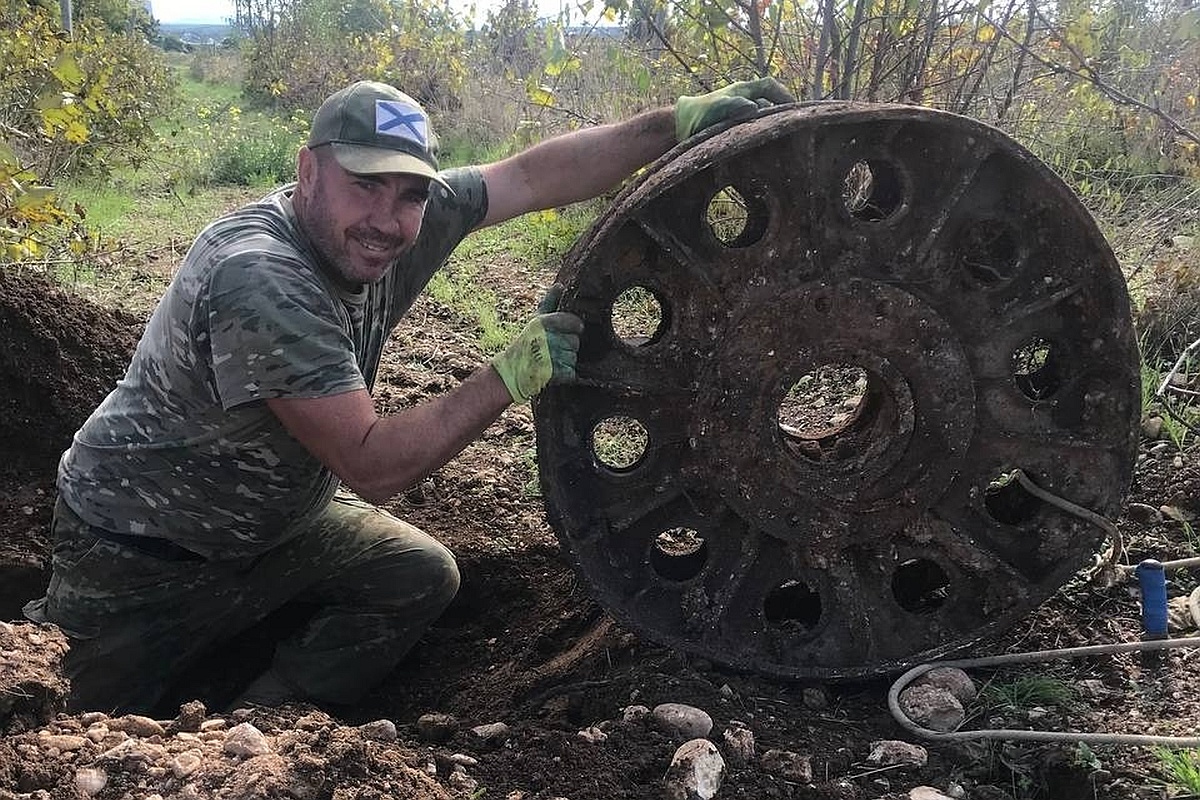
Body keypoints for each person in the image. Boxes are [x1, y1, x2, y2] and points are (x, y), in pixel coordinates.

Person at [24, 77, 794, 714]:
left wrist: (673, 123)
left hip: (274, 533)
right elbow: (373, 466)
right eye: (365, 185)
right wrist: (506, 376)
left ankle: (270, 720)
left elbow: (530, 177)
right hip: (141, 554)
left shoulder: (398, 223)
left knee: (418, 578)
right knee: (65, 722)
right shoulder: (260, 277)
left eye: (409, 193)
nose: (386, 221)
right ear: (308, 171)